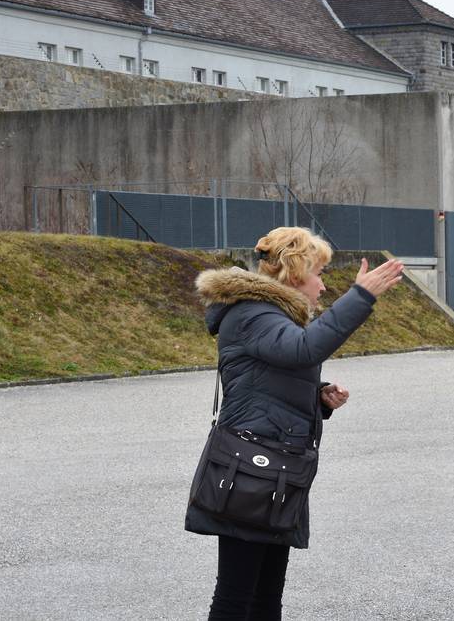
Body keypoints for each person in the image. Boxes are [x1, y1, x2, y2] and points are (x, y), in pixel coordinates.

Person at [186, 226, 403, 620]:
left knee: (266, 596)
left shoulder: (270, 316)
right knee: (237, 598)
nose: (322, 285)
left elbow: (268, 380)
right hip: (251, 472)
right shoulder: (253, 314)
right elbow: (304, 350)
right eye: (319, 273)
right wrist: (361, 296)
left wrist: (319, 397)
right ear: (296, 272)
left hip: (272, 470)